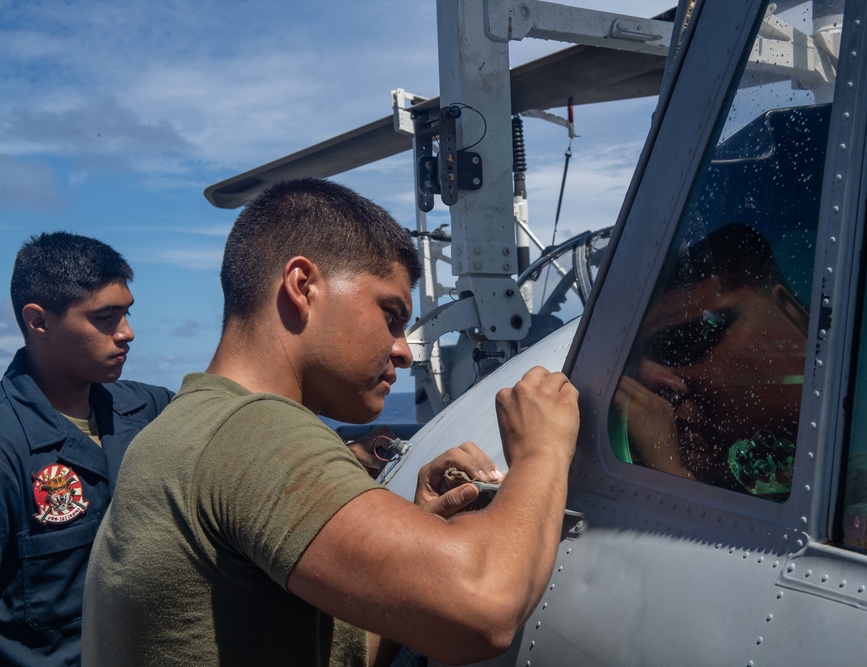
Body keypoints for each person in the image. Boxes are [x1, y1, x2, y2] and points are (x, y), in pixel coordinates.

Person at [82, 178, 580, 666]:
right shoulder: (253, 430)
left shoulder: (194, 423)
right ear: (302, 286)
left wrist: (416, 538)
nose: (405, 351)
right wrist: (542, 452)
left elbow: (329, 653)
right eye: (390, 314)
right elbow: (484, 610)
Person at [0, 232, 173, 667]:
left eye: (126, 313)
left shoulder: (150, 408)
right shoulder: (8, 448)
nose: (127, 333)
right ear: (38, 321)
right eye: (105, 317)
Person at [612, 223, 809, 499]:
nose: (649, 376)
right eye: (636, 359)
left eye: (701, 332)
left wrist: (670, 475)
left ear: (793, 315)